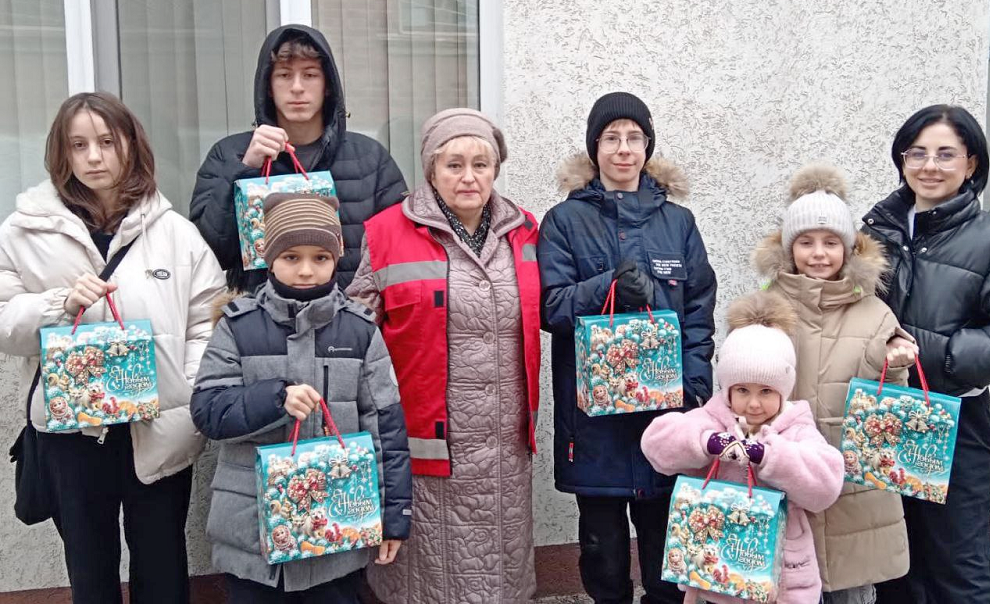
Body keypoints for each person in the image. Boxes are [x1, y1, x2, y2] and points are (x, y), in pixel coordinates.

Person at [0, 92, 225, 604]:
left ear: (131, 145)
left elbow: (208, 322)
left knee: (162, 567)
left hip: (159, 426)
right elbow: (4, 322)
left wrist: (187, 391)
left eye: (106, 141)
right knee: (89, 569)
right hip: (72, 432)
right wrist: (58, 304)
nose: (94, 157)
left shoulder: (175, 233)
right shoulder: (23, 232)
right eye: (78, 145)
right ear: (61, 153)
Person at [347, 108, 542, 603]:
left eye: (481, 164)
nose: (468, 177)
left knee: (501, 576)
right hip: (425, 443)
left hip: (504, 444)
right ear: (431, 171)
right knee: (428, 581)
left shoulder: (524, 230)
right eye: (454, 165)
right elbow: (355, 335)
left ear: (496, 169)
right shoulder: (386, 233)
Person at [538, 91, 717, 604]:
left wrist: (694, 383)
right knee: (603, 552)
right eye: (611, 138)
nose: (623, 149)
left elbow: (699, 310)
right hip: (594, 422)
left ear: (647, 147)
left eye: (634, 138)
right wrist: (606, 288)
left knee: (665, 551)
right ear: (595, 148)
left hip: (666, 416)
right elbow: (551, 307)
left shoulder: (678, 222)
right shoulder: (564, 221)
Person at [190, 192, 411, 602]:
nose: (306, 270)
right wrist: (274, 400)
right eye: (291, 257)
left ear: (336, 257)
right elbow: (207, 410)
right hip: (253, 541)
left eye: (320, 257)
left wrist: (393, 516)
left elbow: (386, 428)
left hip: (336, 538)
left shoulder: (360, 330)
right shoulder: (237, 327)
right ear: (269, 257)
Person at [751, 163, 916, 603]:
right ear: (789, 248)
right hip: (785, 479)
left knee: (851, 592)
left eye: (831, 242)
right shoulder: (764, 308)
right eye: (806, 242)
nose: (819, 253)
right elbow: (742, 387)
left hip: (854, 489)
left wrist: (895, 363)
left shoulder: (875, 312)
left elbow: (891, 402)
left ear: (848, 248)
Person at [862, 104, 990, 604]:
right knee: (895, 563)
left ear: (971, 164)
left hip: (957, 418)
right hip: (886, 411)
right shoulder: (877, 232)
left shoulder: (984, 237)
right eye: (916, 153)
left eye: (945, 154)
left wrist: (934, 354)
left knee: (957, 566)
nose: (929, 166)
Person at [641, 290, 845, 604]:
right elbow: (655, 444)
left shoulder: (796, 427)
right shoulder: (711, 418)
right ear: (728, 389)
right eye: (742, 390)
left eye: (766, 391)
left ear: (783, 390)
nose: (753, 404)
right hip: (717, 577)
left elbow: (826, 486)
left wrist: (770, 456)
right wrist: (706, 442)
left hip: (782, 582)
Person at [189, 24, 407, 292]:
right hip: (259, 314)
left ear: (328, 86)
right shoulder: (229, 154)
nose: (297, 87)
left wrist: (365, 309)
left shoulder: (369, 158)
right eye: (284, 75)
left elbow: (399, 252)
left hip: (349, 313)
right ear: (268, 86)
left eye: (310, 75)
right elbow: (209, 254)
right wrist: (246, 168)